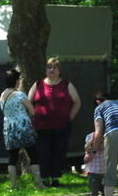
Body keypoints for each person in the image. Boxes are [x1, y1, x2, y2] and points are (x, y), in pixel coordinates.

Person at [27, 57, 80, 187]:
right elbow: (28, 102)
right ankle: (44, 178)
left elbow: (77, 101)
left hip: (61, 125)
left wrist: (70, 117)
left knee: (58, 151)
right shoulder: (38, 84)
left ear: (59, 70)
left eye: (54, 67)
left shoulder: (66, 84)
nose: (51, 70)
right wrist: (32, 117)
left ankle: (56, 178)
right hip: (41, 126)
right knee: (43, 152)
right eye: (49, 67)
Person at [0, 68, 42, 188]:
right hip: (23, 128)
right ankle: (38, 183)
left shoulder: (2, 95)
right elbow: (32, 111)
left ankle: (13, 184)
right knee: (33, 155)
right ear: (17, 81)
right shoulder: (19, 95)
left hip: (9, 128)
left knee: (12, 157)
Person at [91, 92, 118, 196]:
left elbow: (98, 131)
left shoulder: (100, 107)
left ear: (98, 101)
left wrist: (94, 150)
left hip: (114, 133)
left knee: (110, 169)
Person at [83, 128, 105, 196]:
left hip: (104, 171)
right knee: (94, 191)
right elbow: (86, 156)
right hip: (93, 171)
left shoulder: (107, 139)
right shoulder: (90, 137)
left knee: (104, 190)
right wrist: (89, 153)